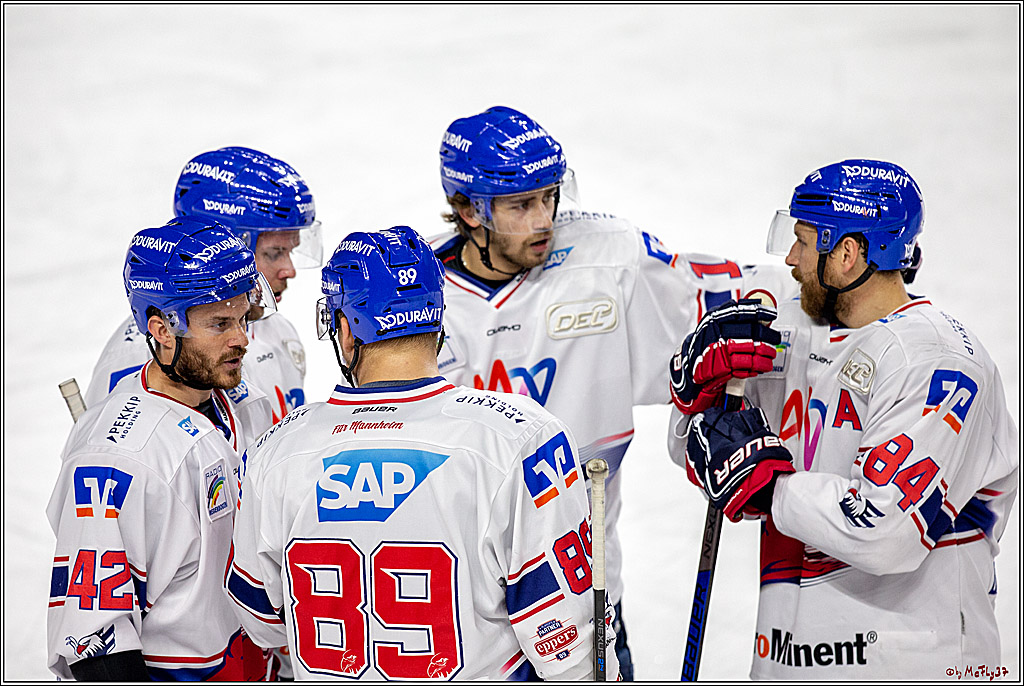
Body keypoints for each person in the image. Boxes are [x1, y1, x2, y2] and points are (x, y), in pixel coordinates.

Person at [431, 105, 796, 678]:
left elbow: (747, 293)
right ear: (468, 209)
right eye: (521, 204)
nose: (544, 218)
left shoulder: (609, 258)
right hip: (454, 607)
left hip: (583, 595)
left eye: (549, 196)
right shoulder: (418, 298)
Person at [667, 160, 1018, 679]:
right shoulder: (791, 334)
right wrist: (699, 396)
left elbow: (887, 530)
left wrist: (771, 489)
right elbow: (710, 459)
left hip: (916, 662)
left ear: (848, 253)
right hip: (791, 655)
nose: (789, 257)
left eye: (803, 240)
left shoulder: (936, 361)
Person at [225, 226, 618, 680]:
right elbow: (569, 647)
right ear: (437, 319)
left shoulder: (276, 450)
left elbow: (263, 622)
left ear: (346, 329)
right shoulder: (520, 437)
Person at [47, 217, 278, 680]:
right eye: (219, 324)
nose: (241, 340)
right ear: (162, 329)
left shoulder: (242, 401)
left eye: (242, 319)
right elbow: (96, 646)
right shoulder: (117, 458)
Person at [84, 146, 322, 423]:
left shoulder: (273, 327)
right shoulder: (152, 356)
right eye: (274, 253)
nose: (289, 270)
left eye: (290, 250)